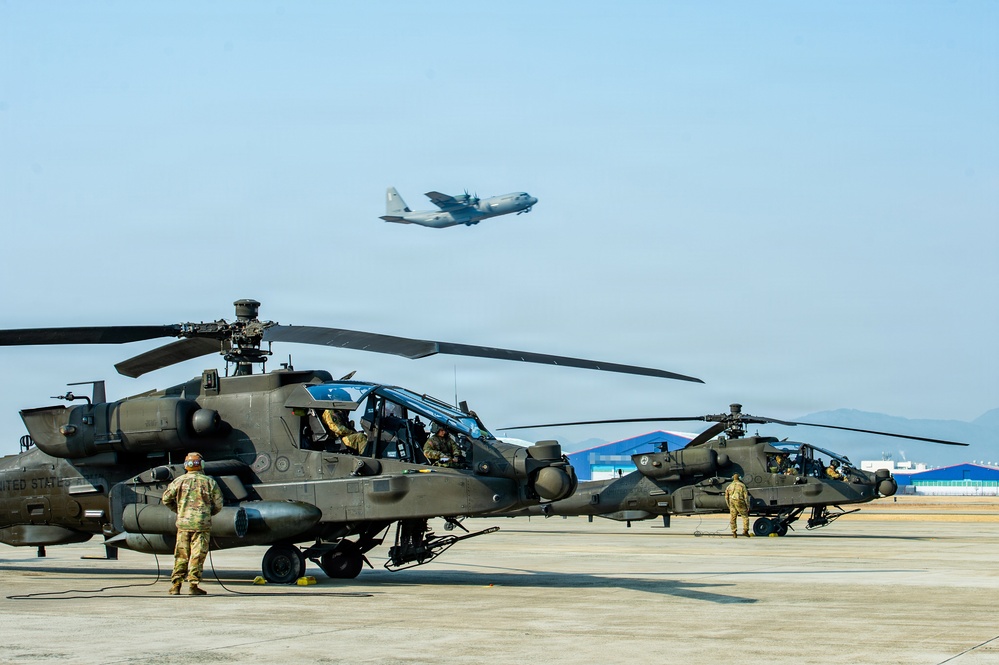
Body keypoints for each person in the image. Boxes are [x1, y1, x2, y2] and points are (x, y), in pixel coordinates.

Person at [161, 452, 223, 595]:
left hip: (183, 524)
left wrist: (179, 511)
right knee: (197, 555)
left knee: (181, 555)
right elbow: (219, 503)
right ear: (201, 465)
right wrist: (208, 513)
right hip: (201, 525)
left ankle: (176, 586)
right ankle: (193, 586)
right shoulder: (209, 482)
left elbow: (166, 499)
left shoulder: (178, 481)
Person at [724, 473, 751, 538]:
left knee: (733, 517)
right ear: (739, 478)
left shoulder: (729, 486)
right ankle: (745, 530)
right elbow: (746, 497)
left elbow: (726, 496)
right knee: (744, 516)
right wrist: (748, 505)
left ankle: (734, 532)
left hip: (732, 502)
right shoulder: (742, 485)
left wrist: (728, 505)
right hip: (740, 502)